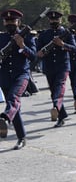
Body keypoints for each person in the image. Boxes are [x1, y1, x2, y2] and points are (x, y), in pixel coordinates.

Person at [0, 9, 36, 150]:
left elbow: (34, 56)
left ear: (18, 22)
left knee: (13, 98)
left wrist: (22, 46)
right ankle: (22, 138)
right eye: (7, 21)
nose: (10, 23)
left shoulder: (27, 37)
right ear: (3, 22)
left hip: (21, 75)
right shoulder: (1, 38)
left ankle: (5, 118)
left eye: (13, 21)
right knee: (16, 108)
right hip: (4, 76)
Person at [37, 10, 76, 127]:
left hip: (62, 66)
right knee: (54, 92)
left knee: (59, 88)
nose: (54, 21)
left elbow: (74, 49)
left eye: (56, 19)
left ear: (60, 20)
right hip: (49, 67)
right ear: (49, 20)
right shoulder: (44, 34)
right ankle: (62, 115)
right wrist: (40, 53)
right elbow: (38, 51)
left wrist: (63, 45)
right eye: (52, 19)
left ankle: (55, 107)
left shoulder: (67, 33)